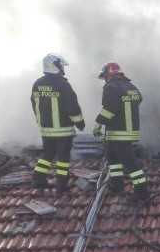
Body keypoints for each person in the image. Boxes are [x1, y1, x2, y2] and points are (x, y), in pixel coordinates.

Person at [94, 62, 148, 204]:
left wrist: (98, 122)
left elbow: (109, 109)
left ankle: (142, 192)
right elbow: (139, 99)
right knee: (111, 156)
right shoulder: (131, 87)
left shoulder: (111, 87)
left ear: (108, 75)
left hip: (119, 131)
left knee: (130, 162)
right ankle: (117, 185)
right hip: (127, 131)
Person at [30, 53, 86, 194]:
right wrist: (80, 123)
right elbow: (72, 106)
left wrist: (41, 123)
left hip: (46, 130)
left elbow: (35, 105)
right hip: (63, 131)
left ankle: (38, 180)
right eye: (61, 66)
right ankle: (61, 186)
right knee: (62, 159)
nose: (62, 68)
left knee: (46, 155)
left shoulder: (37, 84)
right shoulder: (63, 85)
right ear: (54, 66)